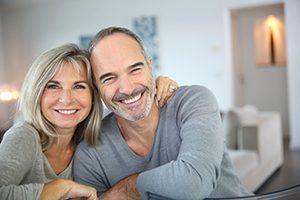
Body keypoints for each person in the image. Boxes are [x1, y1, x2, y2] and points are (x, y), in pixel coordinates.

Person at [73, 26, 252, 200]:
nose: (127, 89)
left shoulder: (192, 101)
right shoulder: (90, 153)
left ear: (150, 67)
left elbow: (194, 184)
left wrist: (130, 187)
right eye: (109, 78)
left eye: (135, 69)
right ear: (96, 88)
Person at [0, 43, 178, 200]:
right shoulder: (24, 137)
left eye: (79, 86)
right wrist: (62, 187)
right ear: (36, 92)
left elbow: (123, 102)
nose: (66, 99)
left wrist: (156, 86)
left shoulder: (88, 140)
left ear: (94, 95)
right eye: (53, 86)